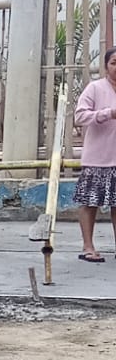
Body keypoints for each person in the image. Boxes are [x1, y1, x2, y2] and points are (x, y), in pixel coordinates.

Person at [73, 47, 116, 263]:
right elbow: (80, 116)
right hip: (97, 158)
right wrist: (108, 113)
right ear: (106, 66)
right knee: (90, 203)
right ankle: (88, 247)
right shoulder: (95, 88)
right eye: (114, 63)